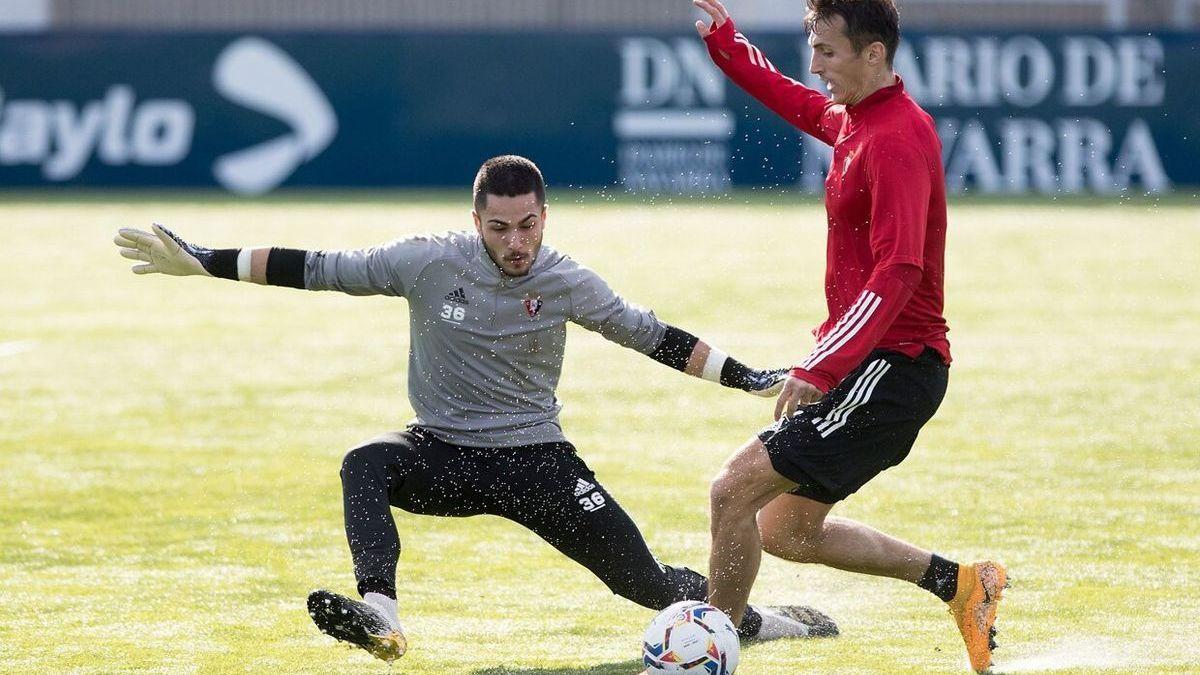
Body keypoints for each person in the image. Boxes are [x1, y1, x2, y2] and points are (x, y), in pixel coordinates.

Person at [113, 155, 838, 664]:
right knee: (364, 461)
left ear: (544, 216)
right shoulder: (426, 260)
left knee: (644, 583)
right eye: (501, 228)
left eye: (528, 225)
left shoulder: (566, 280)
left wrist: (746, 377)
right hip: (443, 453)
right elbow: (315, 268)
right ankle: (384, 617)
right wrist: (204, 258)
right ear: (475, 220)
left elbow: (650, 334)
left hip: (536, 462)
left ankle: (764, 621)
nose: (517, 243)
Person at [691, 1, 1006, 672]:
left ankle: (708, 650)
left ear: (874, 55)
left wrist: (826, 365)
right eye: (814, 50)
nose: (816, 65)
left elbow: (900, 269)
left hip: (895, 364)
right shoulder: (859, 119)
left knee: (731, 490)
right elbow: (793, 98)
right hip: (878, 363)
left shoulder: (897, 137)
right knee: (785, 528)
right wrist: (726, 45)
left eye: (828, 52)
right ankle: (962, 583)